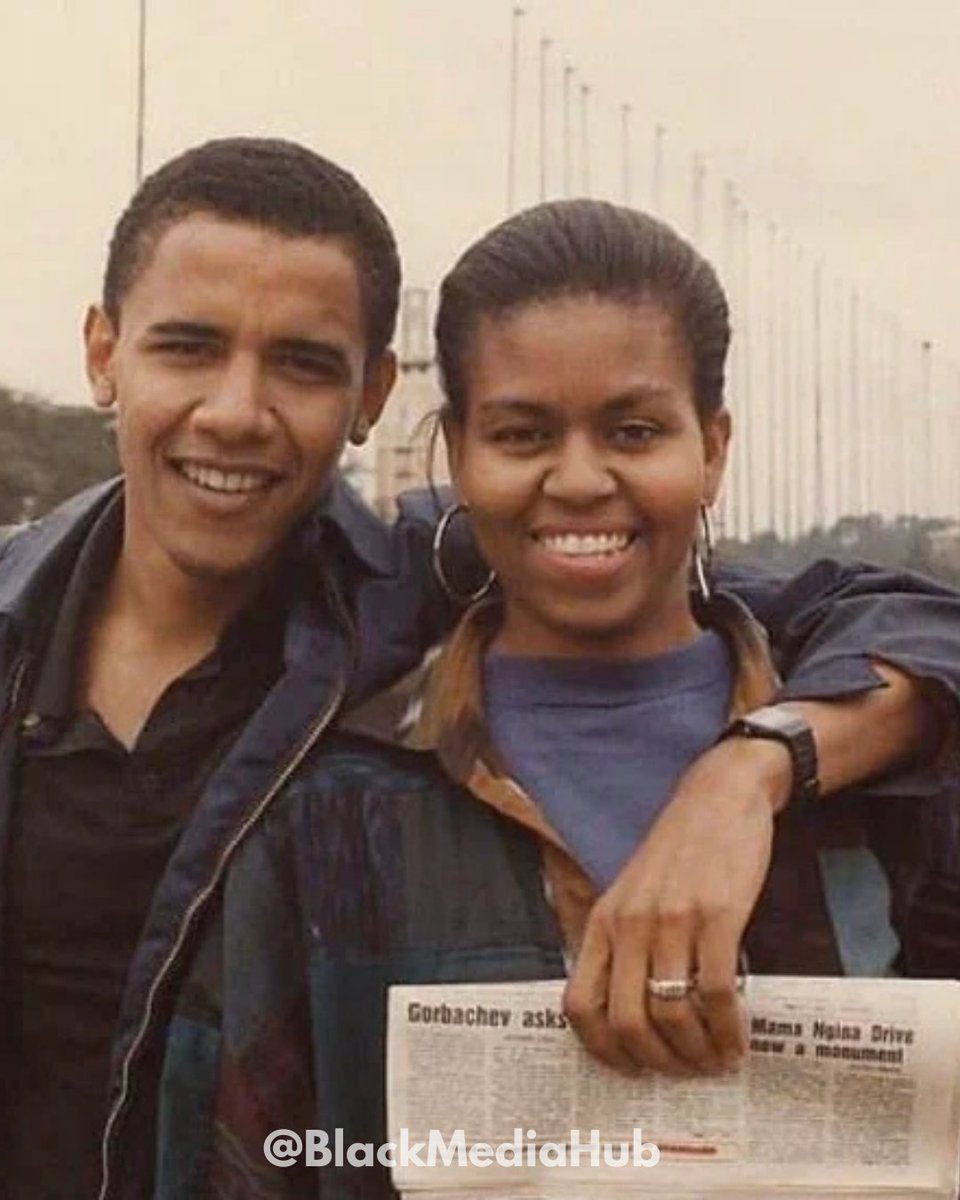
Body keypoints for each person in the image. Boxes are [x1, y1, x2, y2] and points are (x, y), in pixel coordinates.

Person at [0, 144, 955, 1200]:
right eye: (188, 347)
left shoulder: (400, 613)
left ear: (370, 395)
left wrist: (754, 772)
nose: (235, 410)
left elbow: (907, 621)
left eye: (303, 364)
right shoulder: (322, 774)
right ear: (103, 353)